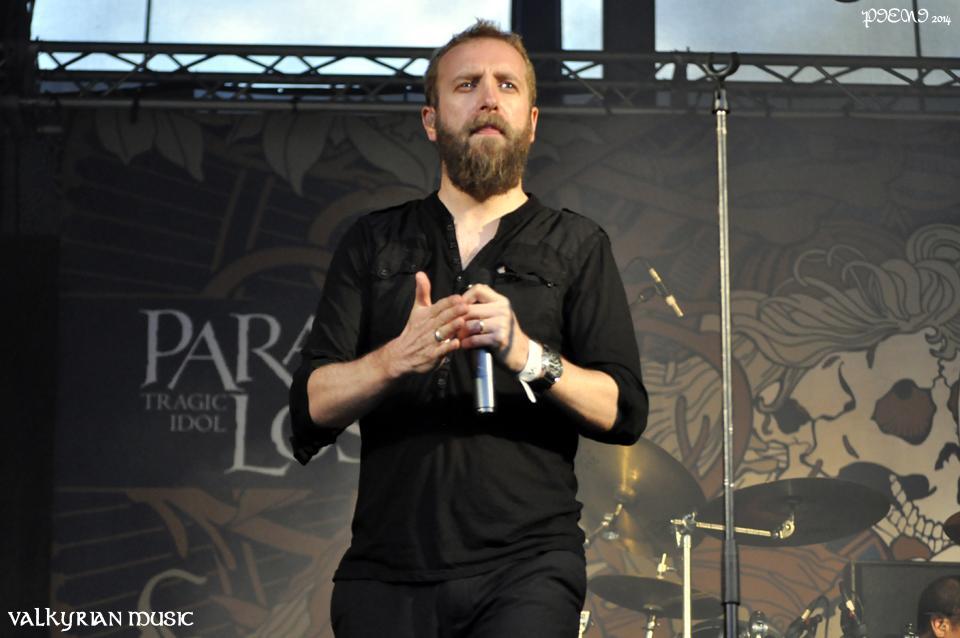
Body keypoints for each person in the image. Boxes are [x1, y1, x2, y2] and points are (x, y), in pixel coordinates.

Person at [288, 19, 648, 638]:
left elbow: (623, 410)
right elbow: (310, 405)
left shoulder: (578, 244)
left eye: (507, 85)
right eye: (466, 85)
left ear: (531, 121)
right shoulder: (374, 240)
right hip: (386, 572)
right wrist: (394, 359)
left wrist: (527, 354)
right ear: (431, 121)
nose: (487, 98)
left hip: (529, 566)